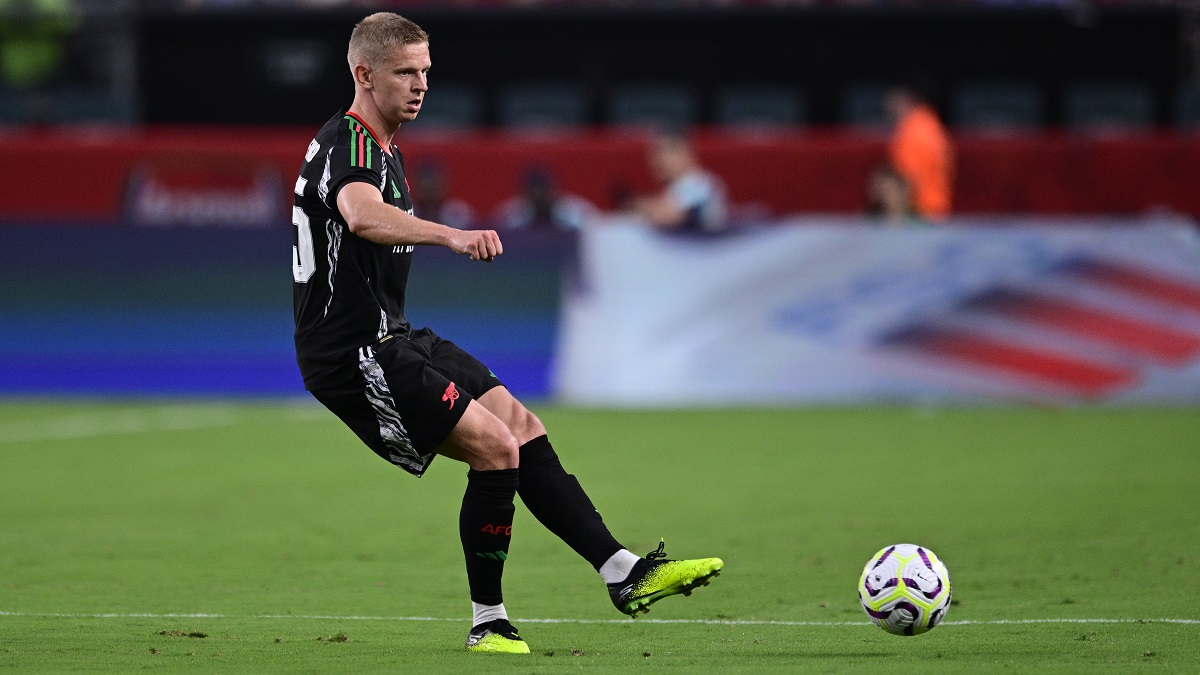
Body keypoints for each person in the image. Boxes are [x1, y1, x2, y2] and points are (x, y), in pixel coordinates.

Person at [291, 13, 722, 655]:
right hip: (353, 353)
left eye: (425, 72)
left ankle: (623, 570)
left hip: (393, 335)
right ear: (364, 74)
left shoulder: (383, 147)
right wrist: (451, 234)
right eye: (405, 72)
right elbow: (360, 215)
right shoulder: (350, 144)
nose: (420, 85)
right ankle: (488, 621)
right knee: (495, 448)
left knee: (520, 424)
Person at [630, 130, 729, 232]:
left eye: (661, 155)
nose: (656, 162)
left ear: (684, 154)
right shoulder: (680, 185)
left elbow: (670, 216)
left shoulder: (699, 182)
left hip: (702, 241)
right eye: (654, 156)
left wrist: (639, 206)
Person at [884, 84, 954, 221]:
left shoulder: (910, 132)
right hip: (938, 210)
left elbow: (908, 179)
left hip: (919, 214)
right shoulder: (932, 124)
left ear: (904, 99)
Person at [494, 167, 597, 230]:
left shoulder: (578, 213)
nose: (539, 197)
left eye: (543, 192)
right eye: (534, 192)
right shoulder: (508, 215)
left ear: (555, 189)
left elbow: (595, 237)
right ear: (524, 193)